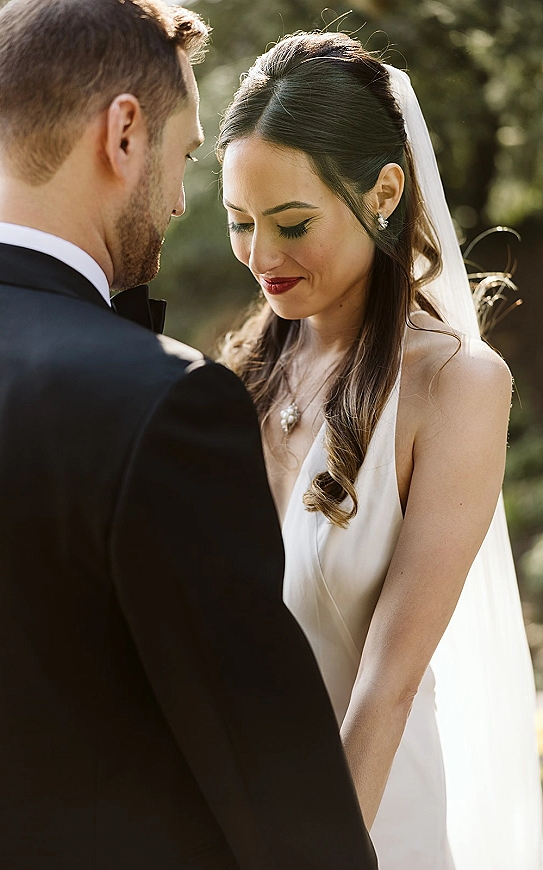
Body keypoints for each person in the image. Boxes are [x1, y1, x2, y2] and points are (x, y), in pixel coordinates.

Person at [0, 3, 378, 868]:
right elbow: (273, 778)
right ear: (123, 133)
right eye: (184, 153)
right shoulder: (164, 401)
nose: (183, 197)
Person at [218, 32, 543, 870]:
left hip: (364, 822)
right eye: (240, 224)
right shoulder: (243, 375)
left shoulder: (458, 386)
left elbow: (386, 686)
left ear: (385, 192)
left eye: (292, 224)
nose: (261, 258)